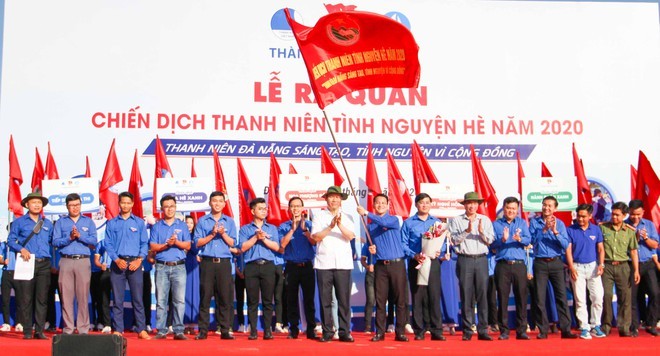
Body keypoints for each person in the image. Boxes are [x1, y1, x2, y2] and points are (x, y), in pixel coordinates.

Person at [359, 194, 409, 342]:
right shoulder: (369, 226)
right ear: (374, 205)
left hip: (396, 264)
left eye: (383, 203)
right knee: (380, 301)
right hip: (380, 266)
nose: (380, 205)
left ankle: (400, 332)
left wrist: (366, 213)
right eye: (377, 203)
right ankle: (379, 332)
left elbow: (381, 221)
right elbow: (370, 247)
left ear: (388, 206)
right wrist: (372, 251)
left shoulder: (393, 219)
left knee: (400, 300)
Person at [529, 196, 577, 339]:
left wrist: (555, 231)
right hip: (540, 262)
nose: (546, 208)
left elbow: (564, 244)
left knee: (561, 296)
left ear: (555, 208)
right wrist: (544, 230)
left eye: (550, 206)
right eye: (544, 205)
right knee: (539, 297)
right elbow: (532, 241)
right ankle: (543, 330)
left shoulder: (560, 224)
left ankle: (566, 329)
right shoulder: (534, 222)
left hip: (556, 262)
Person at [448, 191, 494, 341]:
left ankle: (483, 329)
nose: (472, 206)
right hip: (465, 259)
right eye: (469, 203)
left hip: (481, 259)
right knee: (466, 295)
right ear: (465, 205)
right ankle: (468, 329)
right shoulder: (456, 220)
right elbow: (454, 241)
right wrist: (467, 231)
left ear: (478, 205)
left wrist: (481, 233)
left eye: (474, 203)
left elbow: (490, 241)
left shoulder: (485, 220)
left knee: (482, 295)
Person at [312, 186, 356, 343]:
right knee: (325, 300)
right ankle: (327, 331)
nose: (334, 200)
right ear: (326, 199)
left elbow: (350, 236)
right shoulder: (318, 216)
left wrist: (339, 224)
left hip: (343, 264)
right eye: (331, 197)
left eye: (337, 197)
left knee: (343, 300)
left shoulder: (348, 217)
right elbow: (316, 237)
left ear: (341, 200)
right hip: (324, 263)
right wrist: (330, 226)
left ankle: (345, 332)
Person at [104, 191, 151, 339]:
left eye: (128, 202)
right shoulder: (112, 223)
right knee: (118, 299)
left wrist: (139, 259)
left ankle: (141, 329)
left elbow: (144, 244)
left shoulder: (138, 223)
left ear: (132, 204)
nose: (125, 205)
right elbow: (108, 243)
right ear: (119, 204)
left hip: (135, 264)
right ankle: (118, 329)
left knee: (138, 298)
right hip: (118, 264)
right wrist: (116, 259)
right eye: (122, 202)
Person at [7, 192, 54, 340]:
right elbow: (11, 240)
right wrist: (21, 249)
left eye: (39, 203)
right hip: (26, 263)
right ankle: (28, 331)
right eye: (33, 202)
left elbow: (54, 242)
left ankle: (39, 331)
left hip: (44, 263)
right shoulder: (20, 222)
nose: (37, 205)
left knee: (42, 299)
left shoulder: (47, 223)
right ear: (27, 204)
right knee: (26, 298)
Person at [401, 193, 445, 341]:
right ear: (416, 205)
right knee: (417, 296)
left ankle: (436, 330)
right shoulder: (408, 223)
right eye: (421, 203)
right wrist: (414, 255)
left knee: (434, 296)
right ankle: (419, 330)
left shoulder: (437, 222)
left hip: (432, 262)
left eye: (427, 202)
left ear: (430, 204)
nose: (424, 205)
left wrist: (440, 251)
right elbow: (403, 244)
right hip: (416, 262)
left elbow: (443, 243)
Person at [52, 193, 98, 335]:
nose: (75, 208)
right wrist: (69, 238)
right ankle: (68, 328)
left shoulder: (88, 222)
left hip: (83, 261)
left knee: (83, 297)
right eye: (72, 205)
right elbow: (55, 242)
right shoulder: (61, 222)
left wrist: (80, 236)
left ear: (80, 205)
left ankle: (83, 328)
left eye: (77, 205)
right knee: (66, 297)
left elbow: (94, 241)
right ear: (67, 206)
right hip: (65, 261)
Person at [193, 191, 237, 340]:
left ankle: (224, 330)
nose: (217, 203)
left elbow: (233, 243)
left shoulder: (230, 221)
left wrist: (223, 234)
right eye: (214, 201)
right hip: (207, 262)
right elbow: (197, 242)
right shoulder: (202, 221)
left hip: (224, 263)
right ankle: (203, 330)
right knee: (205, 296)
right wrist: (212, 234)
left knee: (225, 298)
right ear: (210, 203)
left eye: (220, 201)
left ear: (224, 204)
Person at [239, 197, 281, 340]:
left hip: (268, 266)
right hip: (251, 266)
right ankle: (253, 330)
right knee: (252, 300)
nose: (264, 211)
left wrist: (264, 239)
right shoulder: (245, 229)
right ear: (252, 211)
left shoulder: (272, 228)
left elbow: (277, 247)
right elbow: (242, 248)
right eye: (260, 209)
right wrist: (255, 237)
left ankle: (268, 330)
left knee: (268, 300)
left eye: (265, 209)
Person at [150, 195, 191, 340]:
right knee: (161, 300)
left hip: (179, 267)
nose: (169, 209)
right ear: (162, 209)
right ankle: (161, 330)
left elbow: (188, 245)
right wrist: (167, 245)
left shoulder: (182, 225)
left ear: (176, 207)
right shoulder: (157, 226)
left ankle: (178, 330)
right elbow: (153, 246)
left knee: (179, 300)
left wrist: (176, 243)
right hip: (161, 267)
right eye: (166, 206)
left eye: (172, 206)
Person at [491, 197, 532, 340]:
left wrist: (519, 239)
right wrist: (503, 240)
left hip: (519, 265)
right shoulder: (496, 224)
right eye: (509, 208)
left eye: (514, 209)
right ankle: (504, 331)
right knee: (502, 298)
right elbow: (492, 244)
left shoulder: (521, 223)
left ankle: (522, 330)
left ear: (517, 210)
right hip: (503, 265)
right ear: (504, 208)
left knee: (521, 297)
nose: (511, 211)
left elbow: (528, 239)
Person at [278, 197, 317, 339]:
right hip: (291, 267)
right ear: (289, 209)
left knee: (309, 299)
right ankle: (293, 328)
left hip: (307, 266)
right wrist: (293, 229)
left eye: (298, 206)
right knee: (291, 299)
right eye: (292, 206)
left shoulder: (311, 225)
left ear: (302, 208)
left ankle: (311, 329)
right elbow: (282, 245)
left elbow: (314, 242)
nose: (295, 209)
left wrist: (305, 231)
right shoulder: (283, 227)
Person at [566, 204, 606, 339]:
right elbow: (568, 250)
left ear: (590, 216)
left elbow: (600, 249)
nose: (580, 219)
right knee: (580, 299)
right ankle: (584, 327)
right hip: (577, 267)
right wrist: (571, 267)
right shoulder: (570, 230)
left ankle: (596, 325)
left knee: (598, 297)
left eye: (583, 216)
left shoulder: (596, 230)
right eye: (578, 216)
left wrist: (601, 264)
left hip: (593, 267)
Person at [600, 201, 640, 337]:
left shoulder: (629, 231)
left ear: (624, 215)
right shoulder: (603, 228)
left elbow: (634, 252)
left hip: (623, 266)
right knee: (606, 295)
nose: (614, 217)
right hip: (607, 266)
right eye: (613, 214)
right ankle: (606, 326)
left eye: (617, 215)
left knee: (625, 297)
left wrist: (636, 270)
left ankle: (624, 328)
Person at [625, 200, 659, 336]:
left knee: (655, 293)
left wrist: (645, 238)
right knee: (632, 297)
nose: (636, 217)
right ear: (629, 212)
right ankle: (634, 326)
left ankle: (651, 323)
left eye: (638, 214)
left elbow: (655, 245)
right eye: (633, 214)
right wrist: (635, 238)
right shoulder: (624, 225)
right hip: (631, 265)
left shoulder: (649, 225)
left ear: (643, 212)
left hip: (648, 263)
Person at [183, 215, 200, 335]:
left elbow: (195, 249)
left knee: (194, 294)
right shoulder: (180, 235)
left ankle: (193, 325)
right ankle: (183, 324)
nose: (188, 224)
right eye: (186, 222)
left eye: (191, 223)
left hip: (193, 265)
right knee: (182, 295)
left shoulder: (196, 236)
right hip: (182, 264)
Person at [91, 238, 112, 333]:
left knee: (118, 299)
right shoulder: (102, 242)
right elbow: (96, 260)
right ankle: (106, 324)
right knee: (104, 299)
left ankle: (118, 324)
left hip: (118, 272)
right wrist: (100, 265)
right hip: (106, 271)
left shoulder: (121, 240)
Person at [1, 238, 18, 331]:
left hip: (19, 272)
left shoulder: (21, 244)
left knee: (21, 299)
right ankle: (6, 323)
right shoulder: (4, 245)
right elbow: (0, 259)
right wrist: (3, 261)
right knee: (5, 299)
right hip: (7, 273)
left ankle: (19, 322)